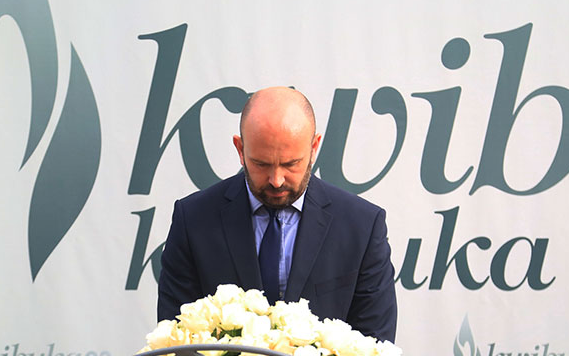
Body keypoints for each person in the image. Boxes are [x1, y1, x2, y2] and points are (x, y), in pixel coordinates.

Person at [157, 86, 397, 341]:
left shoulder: (362, 226)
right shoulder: (193, 220)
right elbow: (176, 341)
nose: (276, 180)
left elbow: (375, 348)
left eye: (291, 163)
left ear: (314, 147)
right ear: (240, 149)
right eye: (261, 164)